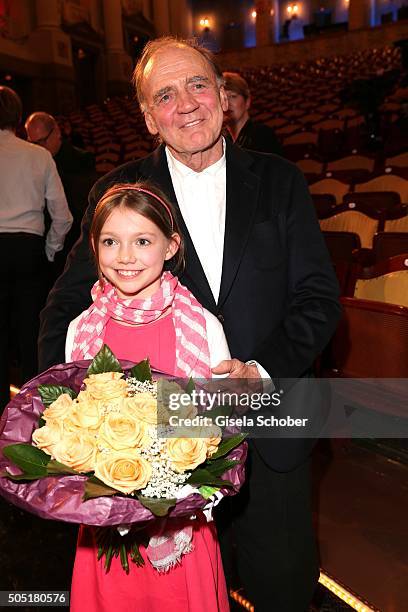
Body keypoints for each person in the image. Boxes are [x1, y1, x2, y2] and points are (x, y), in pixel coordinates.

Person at [39, 37, 341, 611]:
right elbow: (64, 309)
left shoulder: (280, 181)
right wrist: (73, 415)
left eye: (199, 85)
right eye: (165, 94)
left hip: (270, 435)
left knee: (284, 589)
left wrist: (261, 369)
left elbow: (319, 299)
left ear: (224, 97)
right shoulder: (121, 192)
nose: (187, 104)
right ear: (149, 117)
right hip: (156, 463)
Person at [66, 182, 230, 612]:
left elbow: (218, 431)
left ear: (171, 246)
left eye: (142, 241)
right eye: (110, 242)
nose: (125, 257)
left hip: (182, 527)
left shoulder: (202, 328)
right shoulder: (82, 331)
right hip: (104, 523)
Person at [0, 86, 72, 410]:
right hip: (28, 250)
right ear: (18, 116)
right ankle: (30, 416)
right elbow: (63, 216)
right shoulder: (39, 155)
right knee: (32, 336)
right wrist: (49, 249)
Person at [25, 112, 97, 278]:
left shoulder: (81, 160)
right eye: (32, 142)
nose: (38, 148)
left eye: (41, 141)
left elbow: (81, 208)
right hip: (45, 238)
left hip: (73, 240)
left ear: (56, 132)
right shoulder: (31, 162)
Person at [223, 71, 284, 156]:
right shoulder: (222, 140)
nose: (227, 103)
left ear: (247, 102)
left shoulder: (262, 135)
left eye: (233, 96)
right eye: (222, 98)